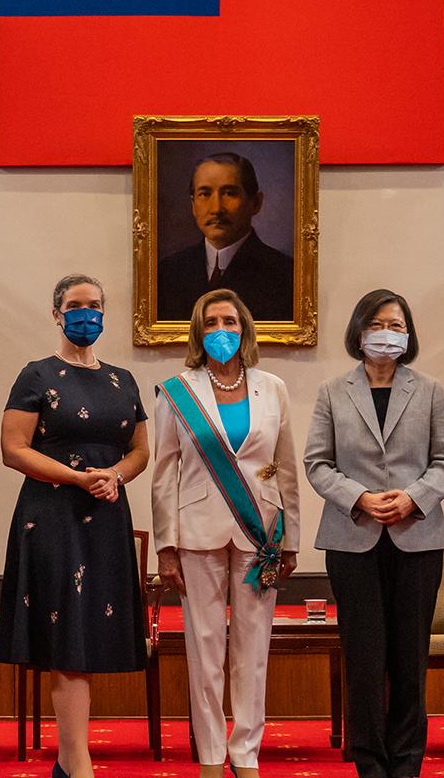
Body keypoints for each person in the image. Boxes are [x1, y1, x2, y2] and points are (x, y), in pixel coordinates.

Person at [0, 274, 152, 778]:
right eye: (74, 305)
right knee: (67, 639)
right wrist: (79, 479)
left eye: (95, 305)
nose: (86, 314)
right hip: (54, 516)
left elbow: (141, 450)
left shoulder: (123, 380)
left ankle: (69, 759)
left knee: (90, 637)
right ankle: (77, 761)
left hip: (106, 516)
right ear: (56, 312)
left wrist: (114, 476)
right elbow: (12, 449)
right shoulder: (36, 374)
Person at [305, 289, 444, 778]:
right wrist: (359, 497)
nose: (387, 334)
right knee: (365, 656)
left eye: (397, 326)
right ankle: (369, 761)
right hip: (354, 537)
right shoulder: (333, 391)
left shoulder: (429, 389)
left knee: (410, 656)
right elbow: (317, 463)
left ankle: (408, 760)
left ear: (408, 334)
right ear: (358, 330)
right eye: (378, 324)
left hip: (417, 537)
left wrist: (413, 497)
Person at [151, 288, 301, 778]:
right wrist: (165, 546)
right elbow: (164, 473)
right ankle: (213, 756)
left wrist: (292, 538)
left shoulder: (272, 387)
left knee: (253, 652)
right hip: (196, 533)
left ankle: (247, 754)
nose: (222, 331)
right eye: (211, 323)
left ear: (245, 328)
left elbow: (285, 468)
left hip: (261, 535)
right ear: (199, 332)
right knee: (206, 648)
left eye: (230, 322)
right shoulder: (178, 390)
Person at [155, 153, 295, 322]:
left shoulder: (286, 276)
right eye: (205, 194)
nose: (216, 208)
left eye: (229, 193)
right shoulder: (167, 273)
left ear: (255, 203)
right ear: (193, 205)